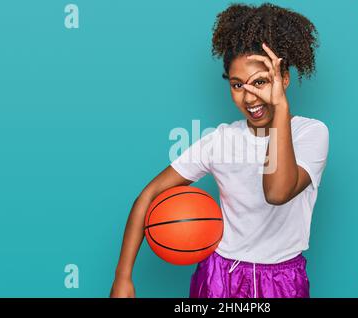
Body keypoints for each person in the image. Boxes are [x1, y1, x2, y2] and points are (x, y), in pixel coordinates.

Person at [110, 2, 329, 298]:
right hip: (219, 277)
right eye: (238, 85)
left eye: (261, 82)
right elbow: (148, 196)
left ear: (284, 78)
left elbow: (277, 192)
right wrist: (123, 278)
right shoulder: (219, 141)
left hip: (282, 280)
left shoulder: (310, 134)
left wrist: (280, 107)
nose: (250, 96)